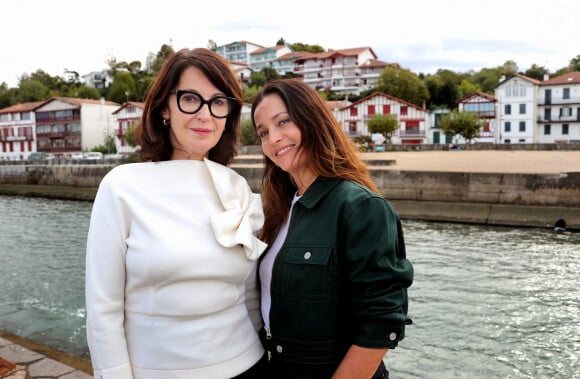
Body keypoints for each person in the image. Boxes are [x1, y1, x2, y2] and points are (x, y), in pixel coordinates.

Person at [85, 48, 268, 379]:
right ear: (164, 107)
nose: (205, 114)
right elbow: (103, 310)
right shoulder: (122, 187)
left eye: (218, 102)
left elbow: (249, 295)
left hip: (248, 365)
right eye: (190, 99)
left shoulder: (238, 186)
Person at [251, 79, 414, 379]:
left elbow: (381, 323)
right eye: (263, 132)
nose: (273, 138)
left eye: (282, 122)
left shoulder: (361, 207)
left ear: (311, 119)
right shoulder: (277, 210)